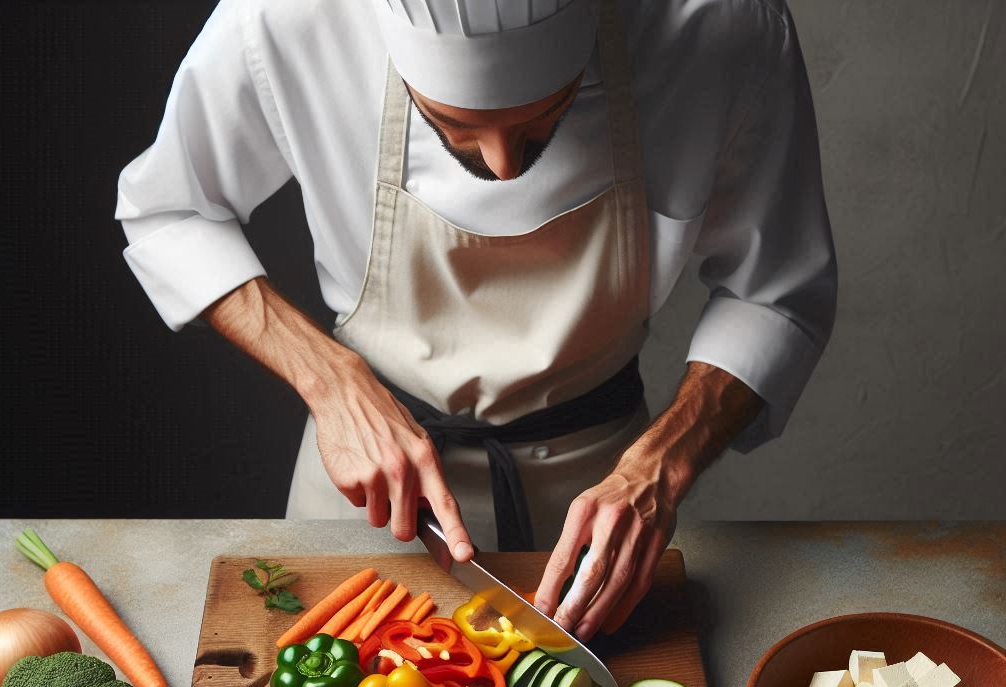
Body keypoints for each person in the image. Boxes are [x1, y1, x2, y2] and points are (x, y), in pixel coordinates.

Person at [116, 0, 836, 640]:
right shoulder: (284, 19)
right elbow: (170, 212)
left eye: (543, 118)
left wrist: (662, 465)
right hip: (371, 499)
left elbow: (772, 291)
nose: (502, 165)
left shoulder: (721, 27)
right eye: (454, 124)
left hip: (598, 508)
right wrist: (330, 380)